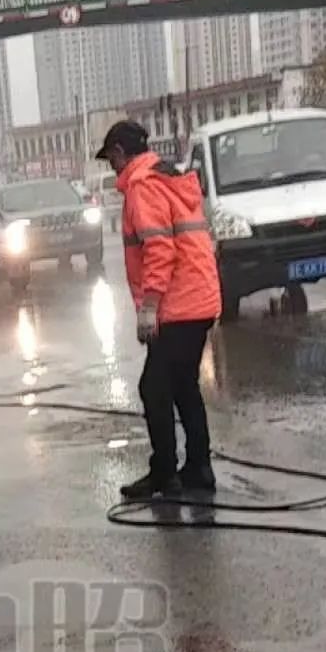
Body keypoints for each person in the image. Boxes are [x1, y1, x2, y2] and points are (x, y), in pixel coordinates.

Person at [95, 120, 222, 500]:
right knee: (183, 385)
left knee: (153, 389)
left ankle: (165, 473)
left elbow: (159, 249)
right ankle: (198, 468)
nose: (112, 169)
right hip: (199, 298)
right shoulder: (168, 176)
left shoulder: (142, 186)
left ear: (120, 152)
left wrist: (149, 307)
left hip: (178, 304)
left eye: (111, 160)